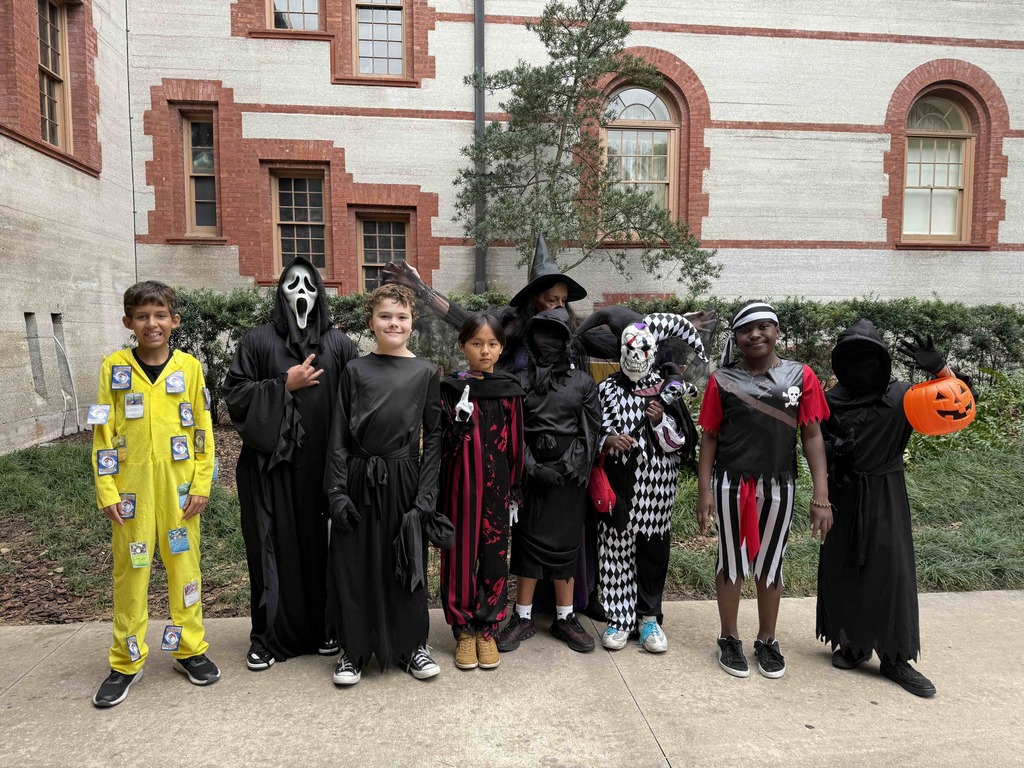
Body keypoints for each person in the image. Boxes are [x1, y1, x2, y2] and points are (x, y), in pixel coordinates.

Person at [816, 321, 964, 697]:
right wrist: (836, 453)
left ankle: (896, 657)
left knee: (891, 571)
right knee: (845, 567)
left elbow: (959, 407)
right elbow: (811, 442)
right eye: (853, 357)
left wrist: (939, 370)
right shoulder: (830, 400)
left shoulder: (904, 396)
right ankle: (854, 643)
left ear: (881, 360)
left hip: (885, 493)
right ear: (841, 362)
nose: (861, 365)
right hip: (842, 495)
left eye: (869, 357)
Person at [223, 257, 357, 671]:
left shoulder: (339, 344)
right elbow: (236, 396)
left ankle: (324, 627)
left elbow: (358, 404)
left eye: (309, 284)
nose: (301, 291)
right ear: (279, 292)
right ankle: (268, 636)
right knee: (271, 547)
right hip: (271, 471)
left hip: (324, 467)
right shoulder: (258, 341)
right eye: (292, 283)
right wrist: (285, 385)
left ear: (320, 292)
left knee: (323, 548)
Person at [90, 281, 219, 707]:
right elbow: (103, 431)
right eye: (142, 316)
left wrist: (201, 483)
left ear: (174, 321)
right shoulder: (114, 367)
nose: (152, 323)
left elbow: (203, 429)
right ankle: (126, 660)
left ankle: (189, 649)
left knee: (185, 571)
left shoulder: (190, 368)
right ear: (129, 322)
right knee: (131, 574)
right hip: (131, 491)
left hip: (180, 490)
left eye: (160, 315)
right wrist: (106, 488)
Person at [696, 301, 832, 680]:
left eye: (762, 327)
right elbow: (709, 437)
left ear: (776, 330)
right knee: (732, 560)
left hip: (780, 484)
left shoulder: (801, 376)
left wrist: (821, 496)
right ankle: (728, 637)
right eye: (745, 329)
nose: (754, 335)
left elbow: (813, 436)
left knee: (771, 561)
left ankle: (767, 640)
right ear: (736, 338)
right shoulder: (721, 380)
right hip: (731, 484)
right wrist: (704, 489)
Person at [325, 284, 453, 685]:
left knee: (406, 559)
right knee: (354, 563)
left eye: (401, 317)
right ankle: (354, 649)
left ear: (412, 322)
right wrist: (337, 491)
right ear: (371, 321)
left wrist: (427, 495)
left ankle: (412, 645)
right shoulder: (355, 370)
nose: (393, 323)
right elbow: (339, 436)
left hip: (403, 476)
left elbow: (433, 438)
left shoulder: (426, 372)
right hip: (360, 476)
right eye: (385, 316)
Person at [584, 308, 707, 654]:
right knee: (615, 551)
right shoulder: (606, 389)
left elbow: (682, 443)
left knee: (652, 552)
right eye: (629, 350)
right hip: (617, 486)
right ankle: (619, 619)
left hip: (656, 489)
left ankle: (648, 617)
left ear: (653, 353)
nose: (635, 356)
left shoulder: (667, 391)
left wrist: (658, 421)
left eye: (643, 350)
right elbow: (591, 429)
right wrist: (608, 440)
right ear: (620, 351)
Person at [496, 307, 602, 654]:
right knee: (526, 545)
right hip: (530, 477)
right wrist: (530, 467)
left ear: (566, 340)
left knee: (566, 548)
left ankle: (565, 616)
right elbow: (512, 429)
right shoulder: (519, 382)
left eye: (555, 334)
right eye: (541, 333)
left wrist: (566, 468)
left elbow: (590, 432)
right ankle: (523, 615)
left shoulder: (584, 383)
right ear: (531, 338)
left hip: (568, 481)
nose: (547, 341)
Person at [439, 314, 526, 671]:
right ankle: (463, 629)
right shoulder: (450, 387)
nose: (484, 350)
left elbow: (517, 444)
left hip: (496, 489)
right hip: (460, 487)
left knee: (494, 557)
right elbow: (442, 444)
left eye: (492, 343)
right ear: (463, 346)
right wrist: (456, 422)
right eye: (476, 343)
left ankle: (487, 627)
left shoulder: (509, 389)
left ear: (501, 347)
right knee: (459, 557)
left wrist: (515, 492)